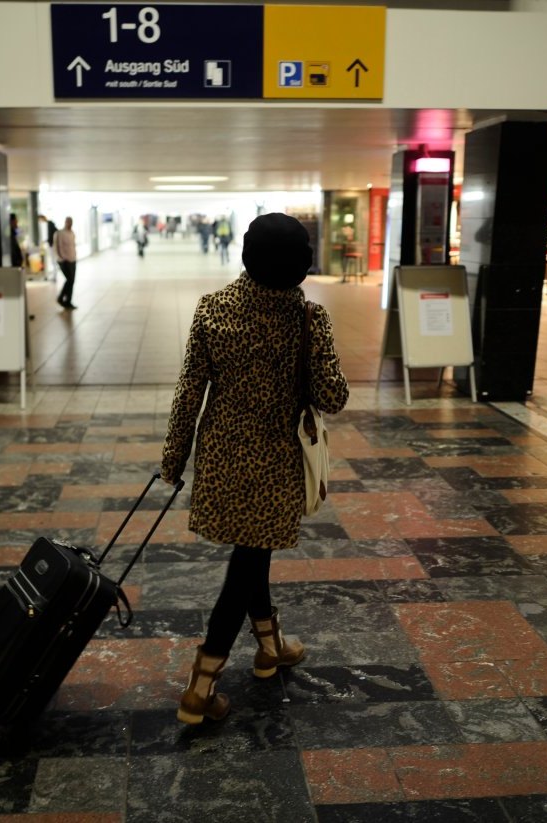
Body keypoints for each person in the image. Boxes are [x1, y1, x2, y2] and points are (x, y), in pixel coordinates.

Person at [161, 212, 350, 725]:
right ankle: (200, 687)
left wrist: (174, 460)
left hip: (221, 459)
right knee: (245, 568)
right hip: (274, 467)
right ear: (301, 266)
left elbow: (188, 395)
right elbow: (333, 397)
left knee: (253, 554)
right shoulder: (309, 319)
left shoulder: (212, 309)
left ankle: (272, 648)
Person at [53, 216, 78, 309]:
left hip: (72, 259)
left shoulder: (72, 233)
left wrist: (75, 256)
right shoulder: (59, 233)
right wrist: (61, 258)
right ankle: (60, 298)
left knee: (71, 281)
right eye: (68, 222)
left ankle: (68, 301)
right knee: (69, 279)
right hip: (64, 261)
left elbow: (73, 246)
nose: (70, 224)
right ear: (65, 222)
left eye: (71, 222)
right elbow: (57, 247)